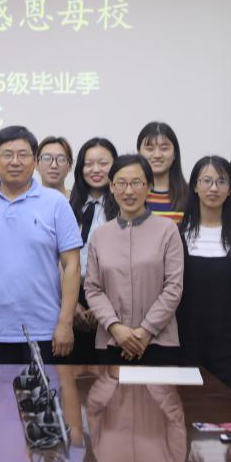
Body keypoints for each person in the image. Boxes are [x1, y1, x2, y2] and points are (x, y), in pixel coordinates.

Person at [0, 126, 83, 364]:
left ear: (35, 161)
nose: (15, 161)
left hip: (45, 333)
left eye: (23, 155)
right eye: (7, 154)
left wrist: (65, 323)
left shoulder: (56, 203)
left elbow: (72, 266)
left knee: (46, 390)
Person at [85, 154, 184, 365]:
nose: (129, 191)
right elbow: (93, 289)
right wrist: (115, 327)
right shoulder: (100, 235)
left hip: (159, 342)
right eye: (121, 183)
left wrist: (146, 330)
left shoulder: (168, 230)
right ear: (111, 187)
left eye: (136, 183)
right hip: (112, 342)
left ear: (149, 187)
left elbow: (173, 287)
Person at [175, 155, 231, 397]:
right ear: (195, 186)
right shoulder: (178, 233)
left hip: (229, 338)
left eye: (221, 182)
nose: (213, 188)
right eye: (207, 181)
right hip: (186, 336)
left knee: (227, 406)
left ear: (230, 189)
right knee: (189, 405)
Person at [67, 137, 120, 364]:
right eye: (88, 164)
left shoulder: (125, 207)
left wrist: (104, 308)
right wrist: (71, 304)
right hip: (71, 297)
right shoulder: (67, 206)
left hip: (113, 299)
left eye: (103, 163)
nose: (95, 170)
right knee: (72, 375)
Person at [137, 122, 189, 222]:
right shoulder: (131, 194)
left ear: (175, 153)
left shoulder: (190, 195)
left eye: (164, 148)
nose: (157, 155)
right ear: (139, 153)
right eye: (150, 149)